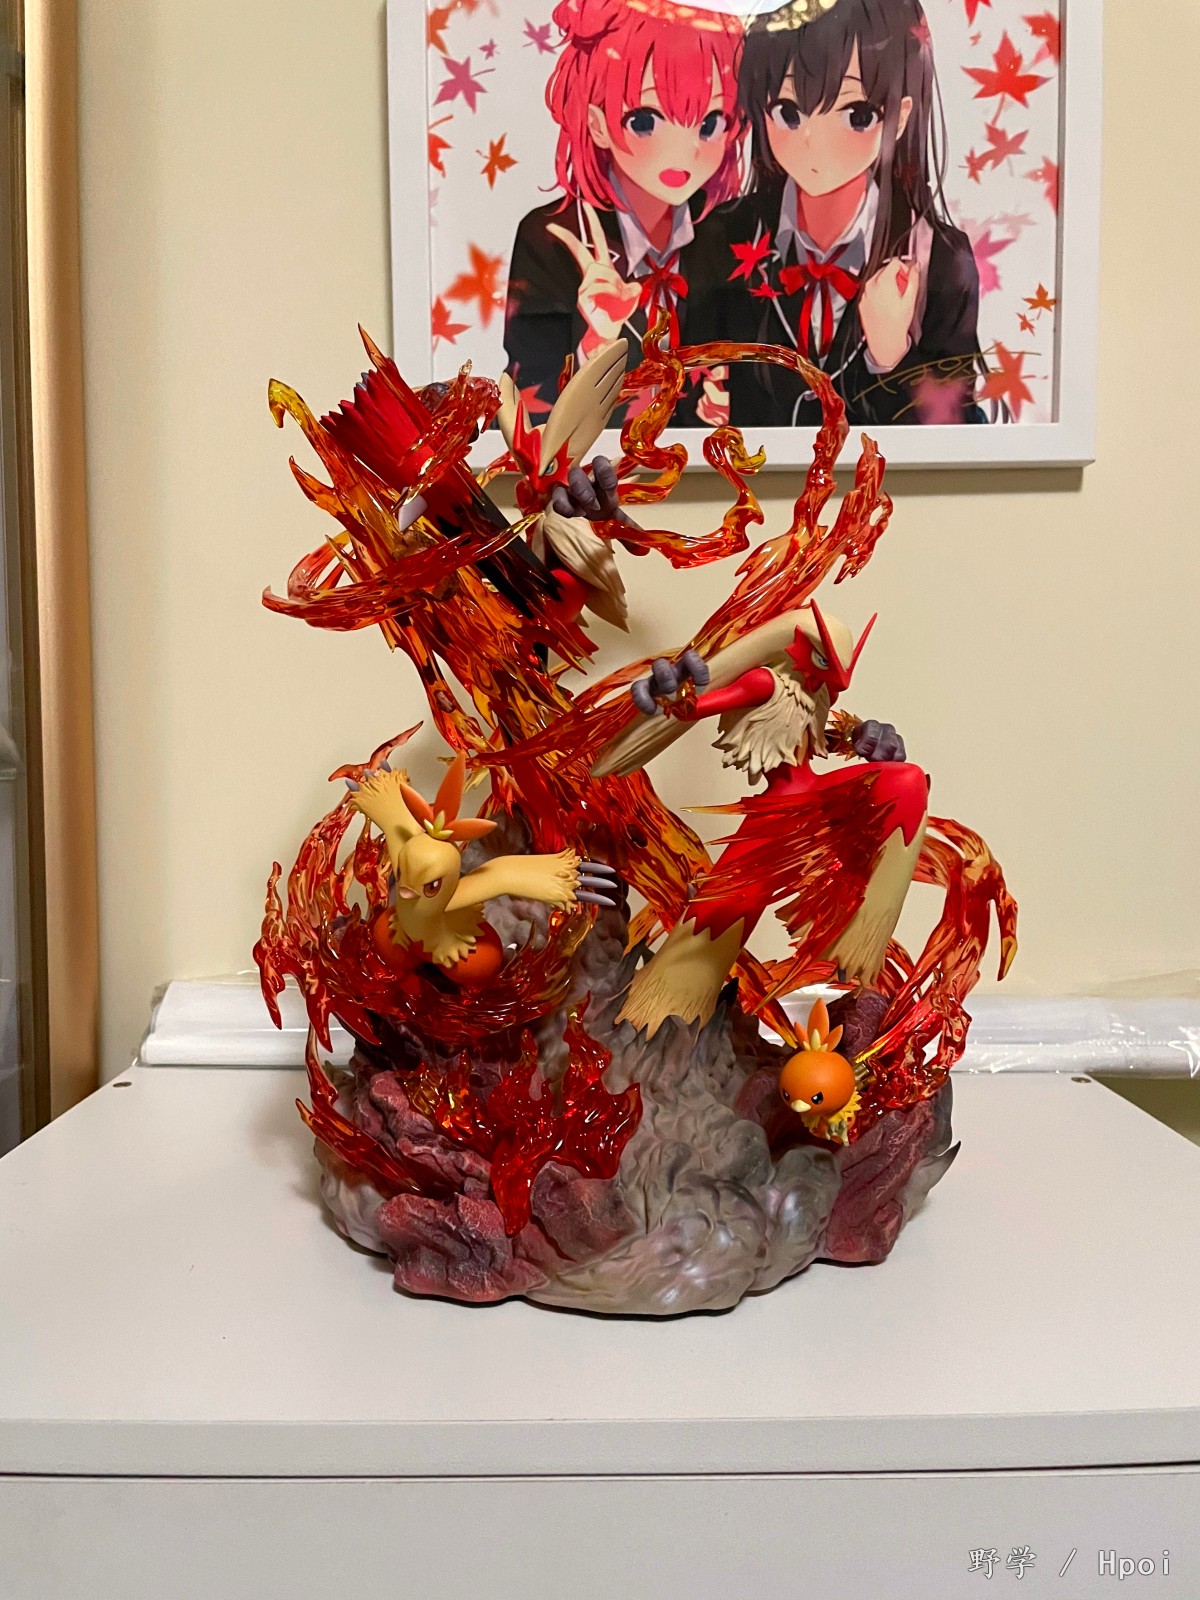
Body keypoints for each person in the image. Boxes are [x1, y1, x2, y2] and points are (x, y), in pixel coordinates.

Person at [688, 0, 985, 428]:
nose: (815, 144)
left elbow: (963, 435)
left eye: (856, 114)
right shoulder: (722, 236)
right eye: (788, 112)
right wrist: (705, 411)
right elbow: (682, 390)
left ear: (900, 117)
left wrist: (892, 358)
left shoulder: (940, 256)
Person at [503, 0, 745, 425]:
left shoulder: (725, 235)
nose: (682, 151)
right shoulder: (553, 236)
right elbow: (524, 409)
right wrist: (593, 347)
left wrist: (731, 409)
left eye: (708, 124)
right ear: (597, 123)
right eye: (645, 121)